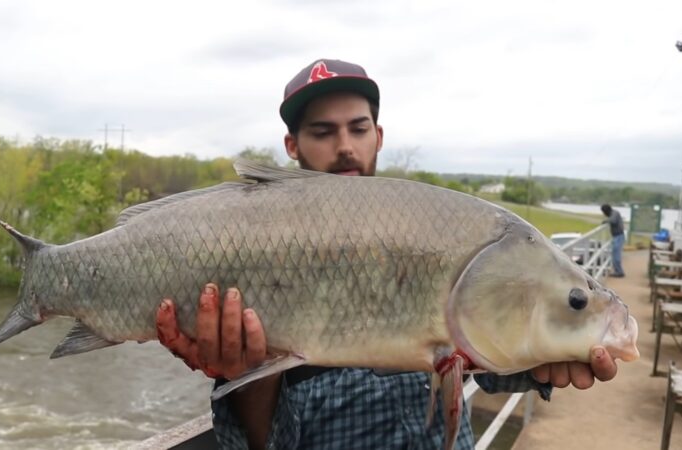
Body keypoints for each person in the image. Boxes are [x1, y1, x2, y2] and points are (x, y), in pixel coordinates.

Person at [155, 59, 619, 450]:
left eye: (358, 129)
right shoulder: (254, 239)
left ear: (378, 135)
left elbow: (493, 366)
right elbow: (263, 441)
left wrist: (548, 351)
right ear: (292, 146)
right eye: (322, 132)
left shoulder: (437, 227)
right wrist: (247, 370)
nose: (344, 147)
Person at [601, 204, 625, 278]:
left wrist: (606, 221)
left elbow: (613, 221)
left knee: (616, 255)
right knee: (615, 254)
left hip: (618, 236)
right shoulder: (613, 213)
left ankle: (619, 272)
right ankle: (618, 271)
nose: (604, 214)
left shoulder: (615, 213)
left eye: (604, 212)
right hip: (616, 236)